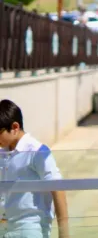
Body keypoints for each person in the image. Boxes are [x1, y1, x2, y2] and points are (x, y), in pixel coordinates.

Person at [0, 100, 69, 238]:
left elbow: (57, 189)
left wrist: (64, 234)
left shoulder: (37, 151)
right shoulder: (3, 152)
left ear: (14, 127)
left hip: (29, 229)